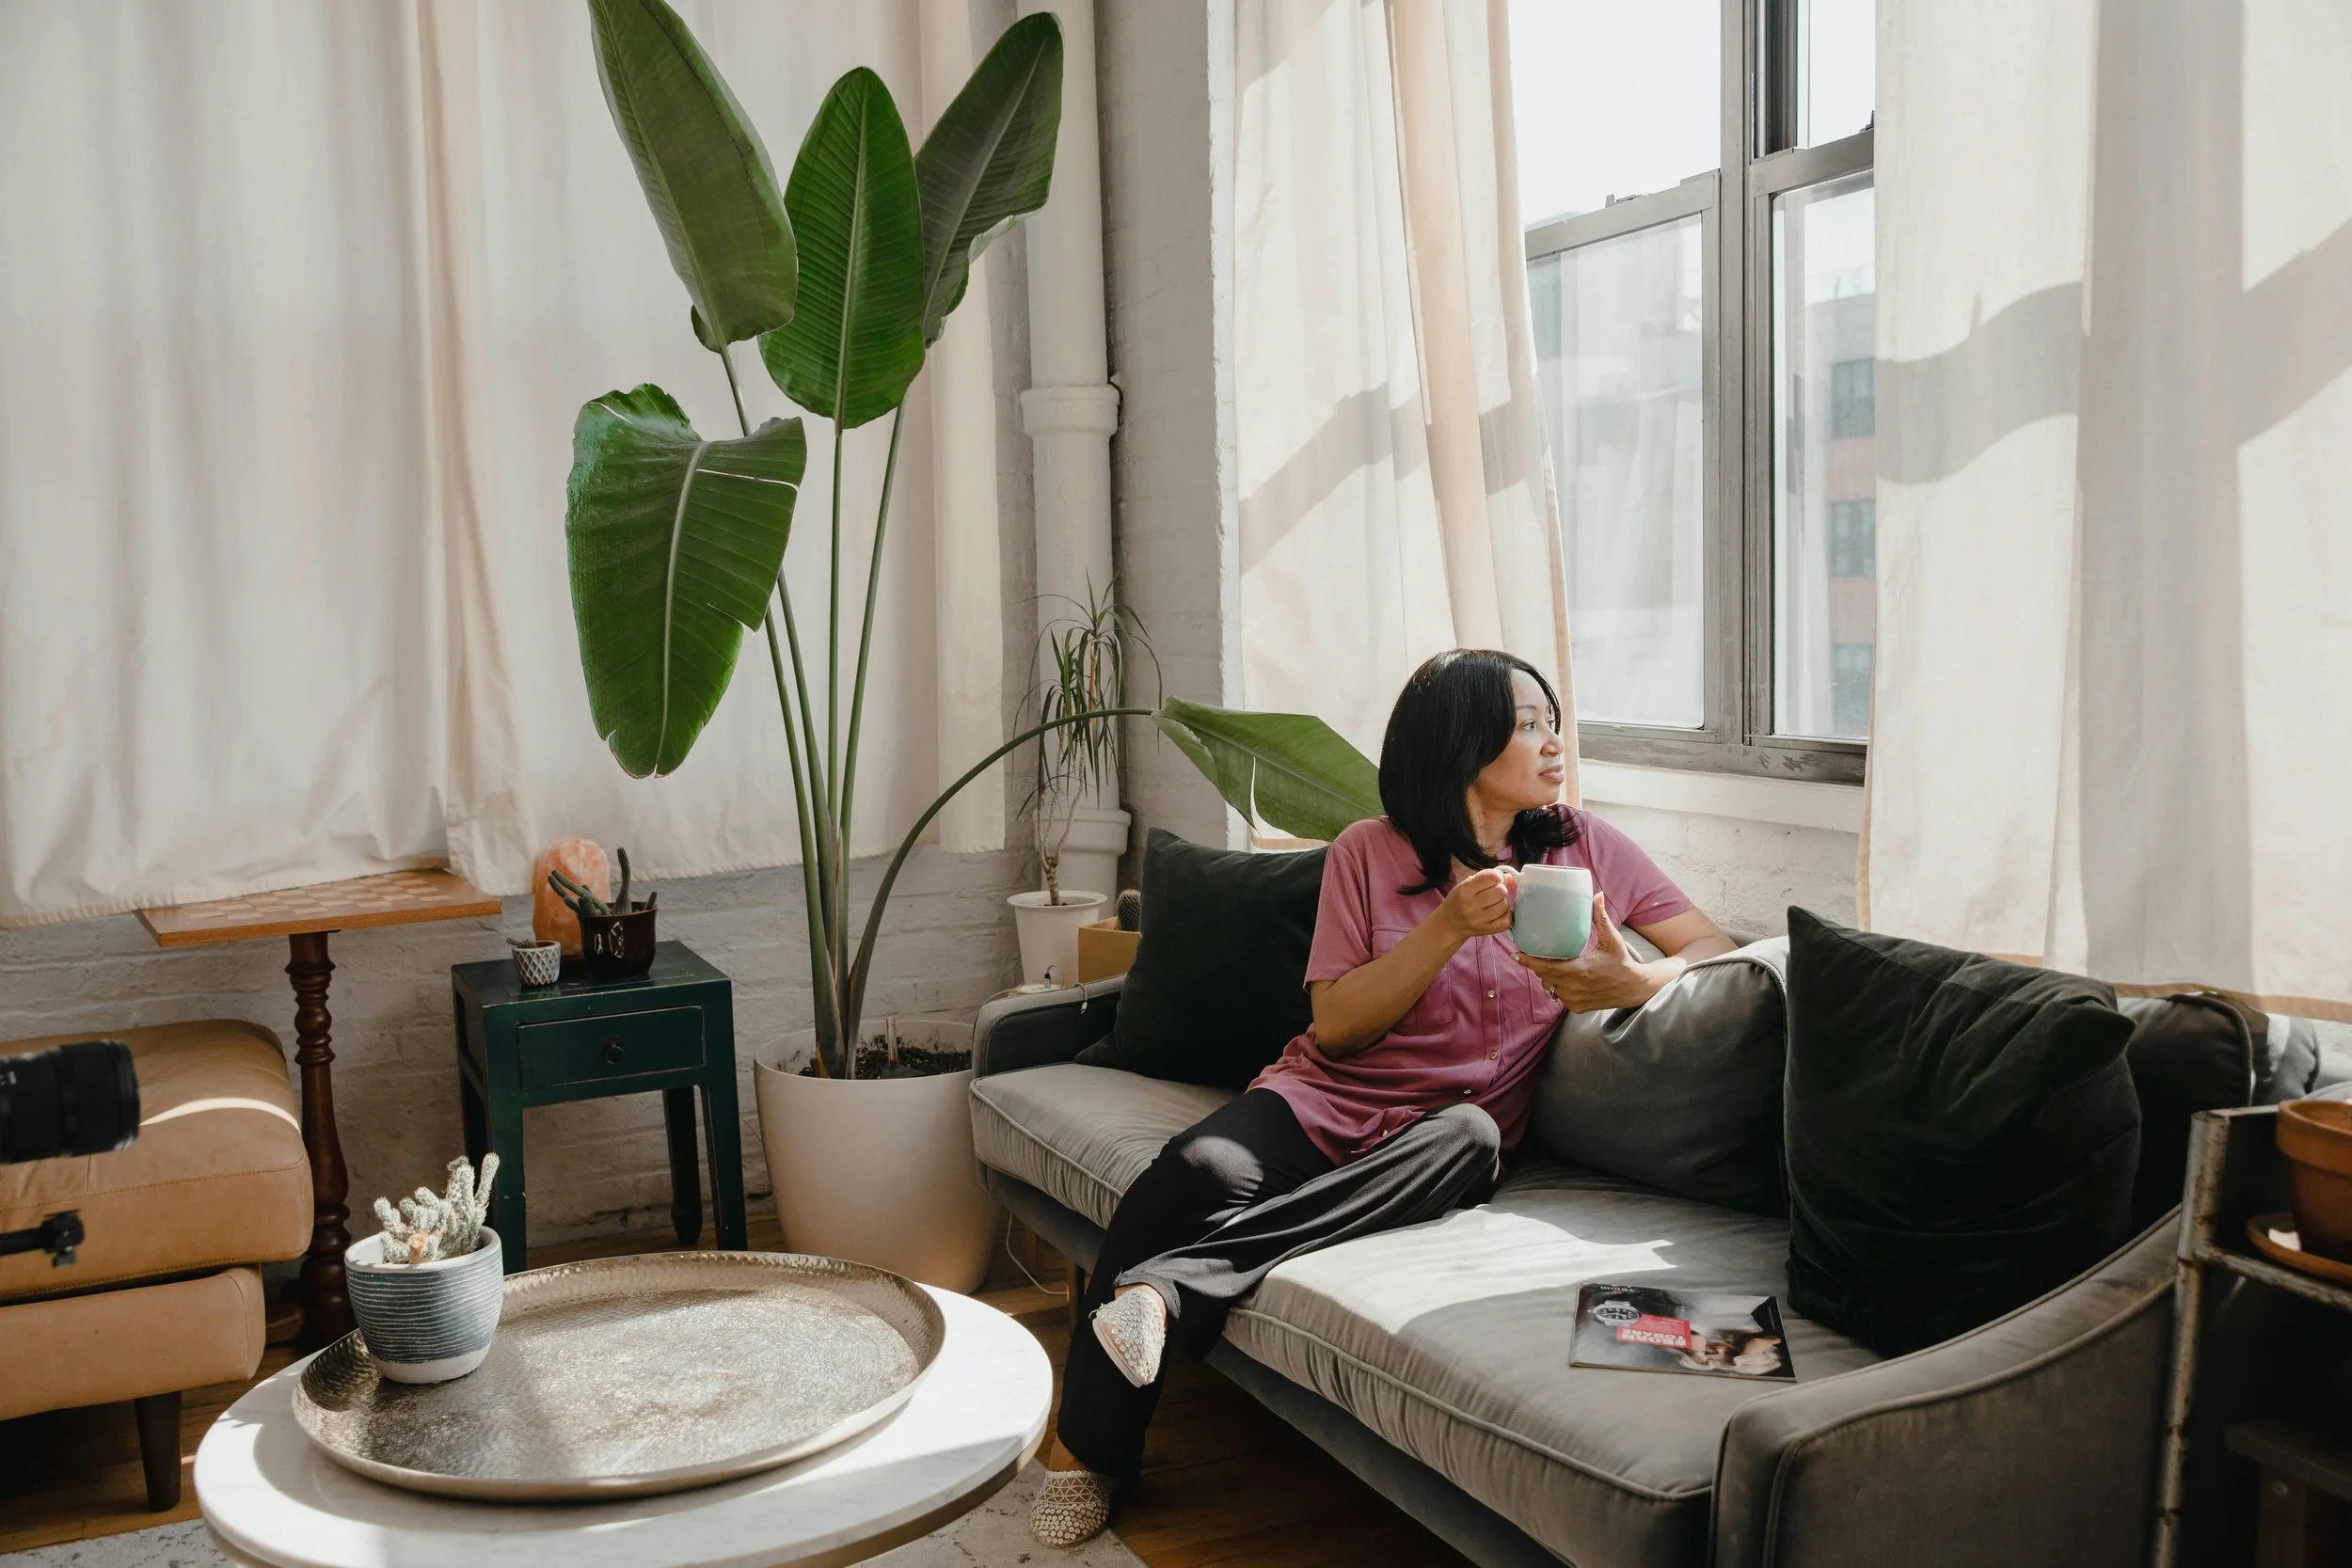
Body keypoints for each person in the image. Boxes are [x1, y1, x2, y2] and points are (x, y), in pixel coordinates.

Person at [1030, 648, 1736, 1547]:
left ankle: (1170, 1292)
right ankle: (1090, 1451)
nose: (1553, 741)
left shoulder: (1580, 846)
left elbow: (1710, 942)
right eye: (1526, 724)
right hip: (1323, 1100)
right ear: (1458, 743)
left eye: (1551, 718)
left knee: (1474, 1136)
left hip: (1439, 1139)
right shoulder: (1368, 852)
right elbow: (1336, 1030)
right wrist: (1446, 927)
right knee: (1194, 1168)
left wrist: (1636, 980)